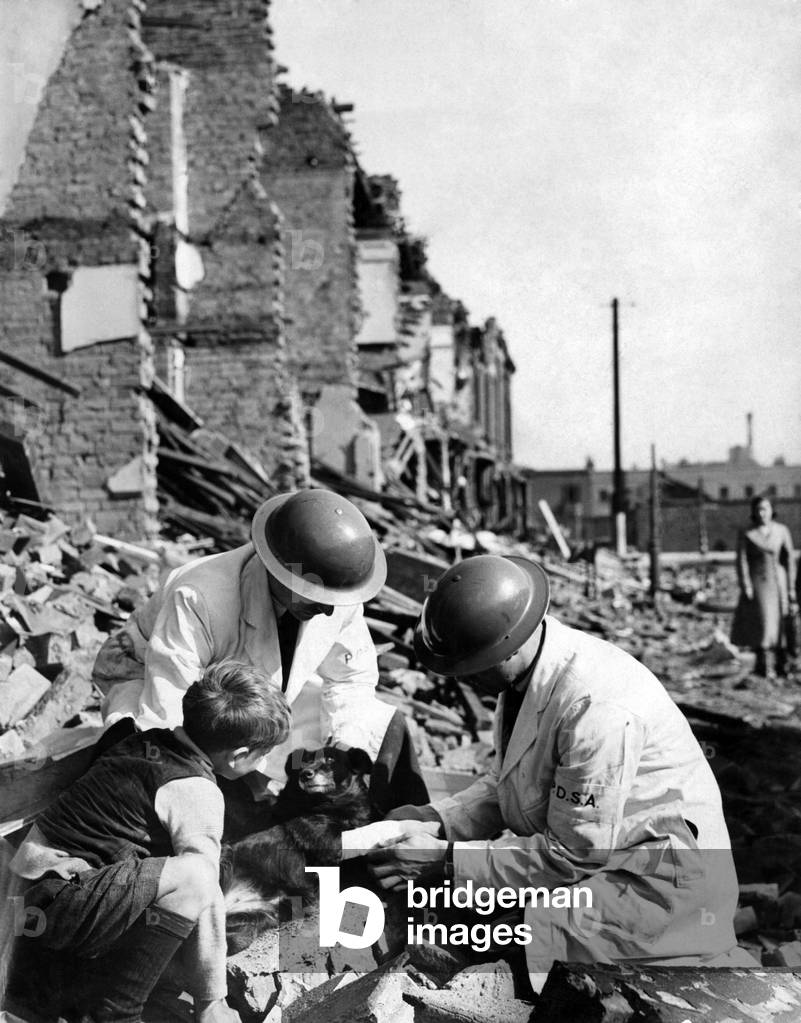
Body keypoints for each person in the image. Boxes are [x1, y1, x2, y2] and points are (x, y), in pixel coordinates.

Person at [369, 555, 753, 990]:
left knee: (500, 945)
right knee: (465, 915)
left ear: (507, 647)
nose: (463, 683)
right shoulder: (525, 673)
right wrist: (437, 820)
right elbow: (508, 780)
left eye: (468, 671)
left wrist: (444, 861)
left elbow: (572, 855)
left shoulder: (595, 709)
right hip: (603, 858)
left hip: (660, 884)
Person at [95, 489, 425, 812]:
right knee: (158, 772)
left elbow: (352, 677)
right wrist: (245, 776)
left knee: (382, 724)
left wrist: (341, 744)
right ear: (280, 572)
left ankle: (400, 840)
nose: (328, 613)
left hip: (253, 695)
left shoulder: (334, 592)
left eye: (333, 603)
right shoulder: (201, 597)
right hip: (152, 677)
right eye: (316, 599)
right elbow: (169, 712)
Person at [7, 662, 291, 1023]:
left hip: (25, 895)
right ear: (239, 755)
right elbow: (203, 890)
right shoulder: (196, 790)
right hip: (55, 909)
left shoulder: (144, 741)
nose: (265, 762)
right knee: (196, 876)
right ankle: (119, 1011)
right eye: (262, 753)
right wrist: (212, 999)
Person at [730, 494, 797, 678]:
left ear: (771, 511)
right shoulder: (747, 532)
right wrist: (746, 585)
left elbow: (789, 560)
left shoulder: (781, 530)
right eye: (758, 509)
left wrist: (791, 588)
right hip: (759, 583)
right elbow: (741, 560)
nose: (762, 513)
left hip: (779, 582)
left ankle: (784, 665)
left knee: (782, 624)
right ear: (753, 512)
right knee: (763, 624)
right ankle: (764, 666)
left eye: (765, 509)